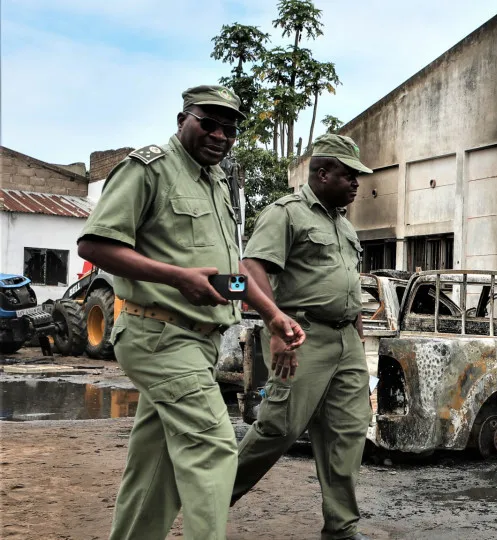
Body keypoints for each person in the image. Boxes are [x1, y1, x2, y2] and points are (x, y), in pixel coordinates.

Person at [76, 84, 305, 540]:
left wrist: (272, 314)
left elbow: (228, 274)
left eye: (230, 128)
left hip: (198, 343)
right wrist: (176, 277)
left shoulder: (217, 183)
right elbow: (94, 244)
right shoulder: (149, 169)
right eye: (209, 122)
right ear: (183, 119)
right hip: (158, 334)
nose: (220, 134)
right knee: (215, 449)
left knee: (154, 470)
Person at [231, 134, 373, 540]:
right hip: (300, 334)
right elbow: (250, 269)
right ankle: (212, 496)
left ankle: (341, 527)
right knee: (280, 428)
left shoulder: (343, 224)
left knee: (347, 432)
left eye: (357, 177)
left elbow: (350, 288)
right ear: (323, 172)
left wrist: (358, 344)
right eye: (349, 176)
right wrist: (276, 324)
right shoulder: (286, 213)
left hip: (345, 339)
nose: (356, 184)